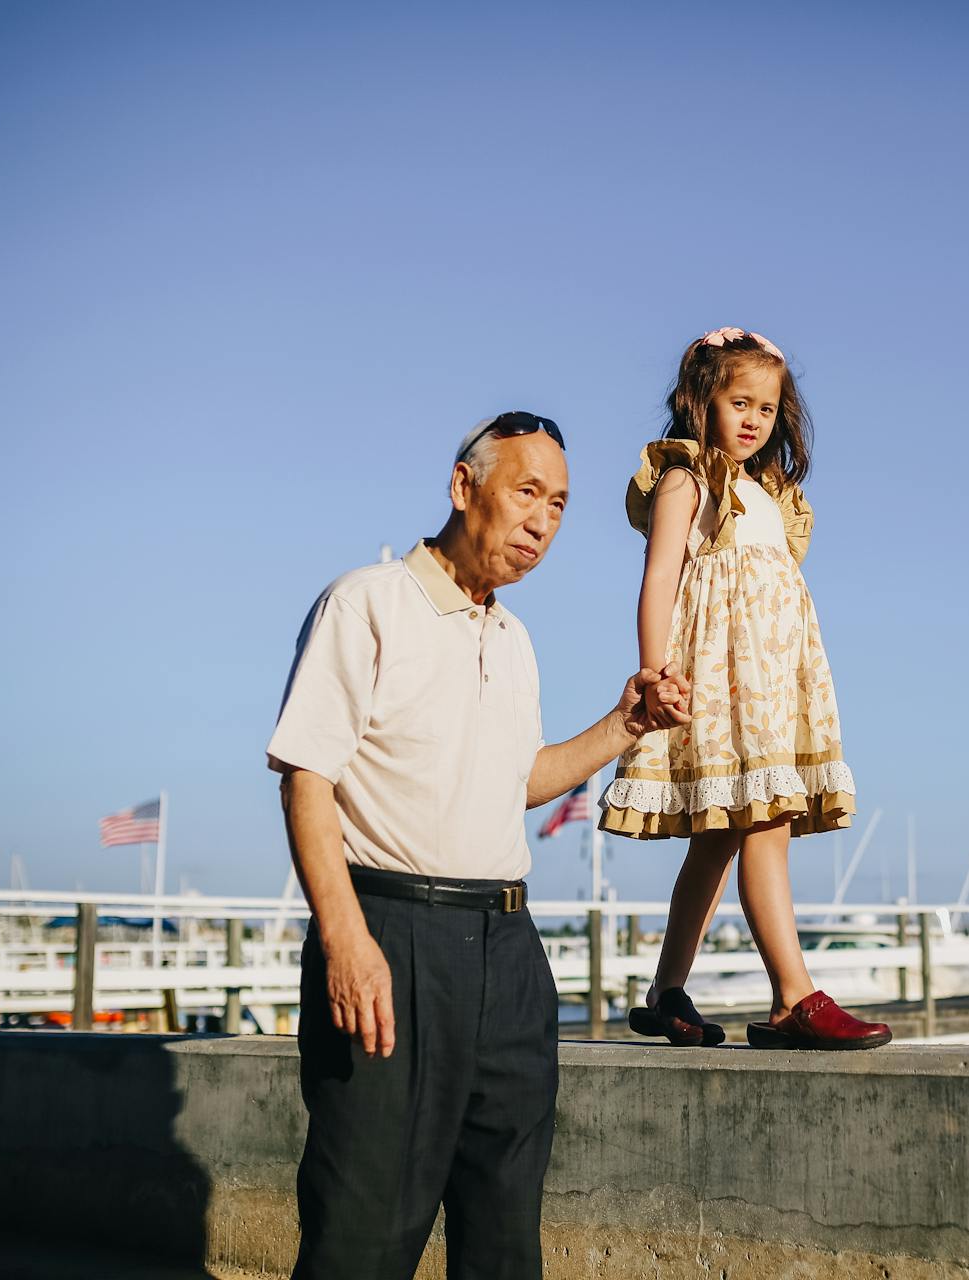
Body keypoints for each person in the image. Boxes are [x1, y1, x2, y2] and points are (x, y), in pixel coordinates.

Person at [266, 411, 688, 1280]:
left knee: (504, 1232)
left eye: (561, 505)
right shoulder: (367, 602)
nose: (544, 521)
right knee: (364, 1227)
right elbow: (306, 776)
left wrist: (625, 722)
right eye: (526, 492)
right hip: (391, 933)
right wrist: (347, 941)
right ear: (464, 488)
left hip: (508, 949)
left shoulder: (516, 637)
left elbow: (517, 781)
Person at [599, 328, 890, 1051]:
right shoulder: (688, 477)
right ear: (702, 401)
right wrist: (652, 673)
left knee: (721, 840)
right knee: (764, 824)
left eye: (768, 404)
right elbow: (660, 576)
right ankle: (793, 997)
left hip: (771, 680)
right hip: (722, 680)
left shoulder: (770, 494)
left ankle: (667, 991)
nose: (756, 417)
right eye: (739, 401)